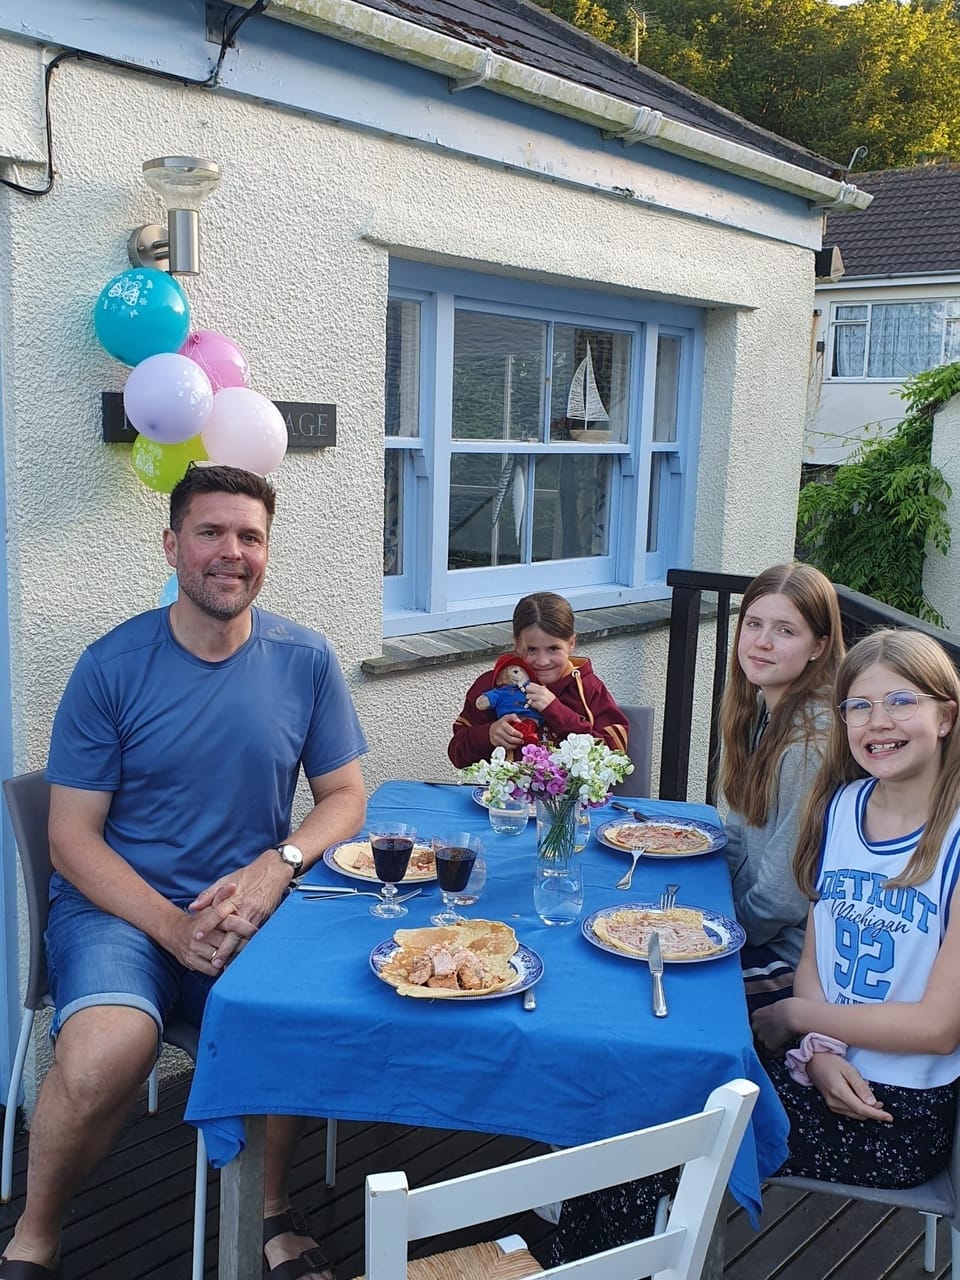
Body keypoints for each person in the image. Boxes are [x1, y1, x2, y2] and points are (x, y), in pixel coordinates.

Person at [0, 465, 367, 1280]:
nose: (231, 552)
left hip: (247, 906)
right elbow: (71, 839)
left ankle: (269, 1210)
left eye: (249, 536)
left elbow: (345, 797)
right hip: (120, 913)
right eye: (210, 532)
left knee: (293, 1019)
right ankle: (36, 1232)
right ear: (171, 545)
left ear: (266, 551)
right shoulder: (110, 666)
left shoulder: (306, 659)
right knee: (103, 1058)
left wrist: (278, 866)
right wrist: (171, 926)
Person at [753, 629, 960, 1188]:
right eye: (860, 706)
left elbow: (938, 1029)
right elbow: (815, 958)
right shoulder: (839, 807)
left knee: (678, 1129)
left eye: (901, 701)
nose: (878, 722)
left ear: (945, 717)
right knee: (666, 1085)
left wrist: (797, 1018)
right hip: (818, 1061)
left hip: (894, 1110)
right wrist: (817, 1051)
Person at [720, 564, 845, 1011]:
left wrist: (718, 934)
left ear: (819, 647)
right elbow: (737, 831)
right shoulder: (762, 708)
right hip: (753, 927)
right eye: (754, 624)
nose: (762, 642)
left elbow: (782, 896)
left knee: (666, 987)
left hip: (791, 957)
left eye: (785, 630)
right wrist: (708, 903)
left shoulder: (812, 743)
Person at [448, 592, 628, 769]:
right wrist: (488, 734)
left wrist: (556, 711)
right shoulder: (494, 685)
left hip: (568, 790)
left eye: (553, 648)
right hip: (505, 788)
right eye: (532, 649)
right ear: (517, 644)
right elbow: (457, 753)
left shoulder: (588, 688)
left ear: (571, 643)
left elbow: (616, 754)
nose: (543, 661)